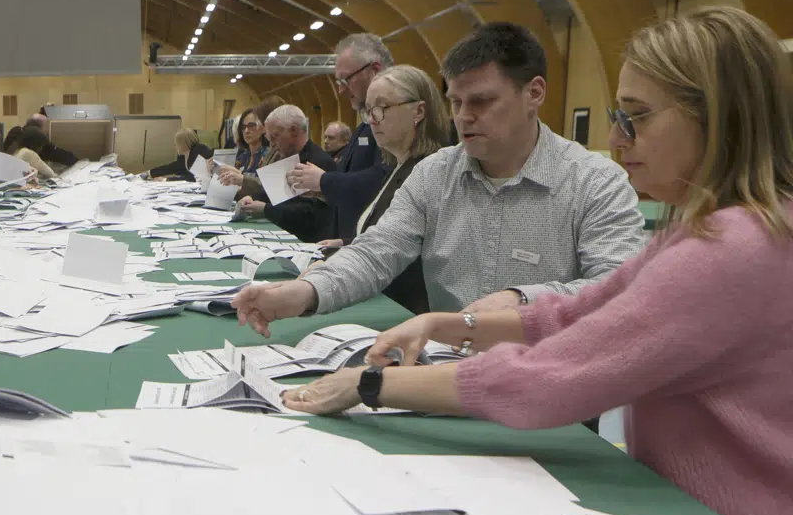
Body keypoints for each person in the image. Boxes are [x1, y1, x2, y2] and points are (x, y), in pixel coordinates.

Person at [283, 6, 793, 515]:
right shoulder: (718, 229)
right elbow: (577, 311)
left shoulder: (727, 248)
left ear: (714, 117)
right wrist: (449, 323)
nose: (618, 140)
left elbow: (551, 378)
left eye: (636, 118)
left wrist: (368, 386)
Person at [232, 21, 646, 330]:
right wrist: (305, 292)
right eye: (456, 101)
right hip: (446, 373)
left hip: (554, 388)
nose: (464, 117)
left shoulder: (596, 183)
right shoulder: (435, 174)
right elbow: (376, 251)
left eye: (482, 101)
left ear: (534, 93)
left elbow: (616, 290)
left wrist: (522, 299)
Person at [315, 65, 451, 314]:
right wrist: (349, 243)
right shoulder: (398, 167)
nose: (372, 119)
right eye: (368, 110)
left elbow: (412, 257)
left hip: (404, 313)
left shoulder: (429, 173)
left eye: (381, 108)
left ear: (418, 111)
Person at [281, 34, 395, 243]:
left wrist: (324, 181)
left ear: (375, 70)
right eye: (338, 81)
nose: (341, 89)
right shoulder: (364, 127)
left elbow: (386, 181)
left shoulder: (394, 124)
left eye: (346, 79)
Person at [224, 105, 339, 238]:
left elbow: (309, 213)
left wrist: (266, 210)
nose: (272, 145)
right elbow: (271, 194)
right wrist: (252, 199)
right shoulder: (286, 157)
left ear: (294, 131)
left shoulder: (319, 162)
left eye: (275, 137)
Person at [234, 109, 268, 173]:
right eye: (243, 127)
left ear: (262, 127)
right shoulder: (242, 157)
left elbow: (260, 182)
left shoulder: (267, 156)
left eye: (251, 126)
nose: (246, 131)